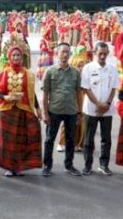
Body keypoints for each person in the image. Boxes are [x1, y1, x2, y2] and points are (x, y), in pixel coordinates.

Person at [0, 46, 42, 177]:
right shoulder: (3, 72)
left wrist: (38, 109)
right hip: (7, 111)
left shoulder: (28, 74)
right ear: (9, 57)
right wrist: (6, 97)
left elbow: (32, 93)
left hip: (23, 111)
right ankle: (8, 167)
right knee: (8, 141)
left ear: (22, 57)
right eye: (13, 55)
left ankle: (19, 167)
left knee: (22, 140)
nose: (15, 57)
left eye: (18, 55)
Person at [41, 43, 82, 177]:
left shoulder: (75, 72)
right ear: (57, 53)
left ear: (70, 54)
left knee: (70, 139)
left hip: (71, 110)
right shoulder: (50, 71)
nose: (65, 55)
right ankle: (47, 166)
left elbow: (78, 94)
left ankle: (69, 165)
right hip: (54, 110)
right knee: (49, 139)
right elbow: (45, 94)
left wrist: (79, 112)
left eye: (67, 52)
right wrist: (45, 113)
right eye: (62, 52)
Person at [81, 42, 119, 176]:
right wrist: (98, 104)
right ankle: (87, 165)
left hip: (107, 110)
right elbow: (86, 88)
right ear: (94, 53)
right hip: (91, 109)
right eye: (100, 53)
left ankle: (104, 165)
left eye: (105, 53)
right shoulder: (88, 68)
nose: (102, 56)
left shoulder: (112, 68)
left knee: (106, 138)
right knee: (88, 138)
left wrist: (107, 104)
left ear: (108, 53)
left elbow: (113, 88)